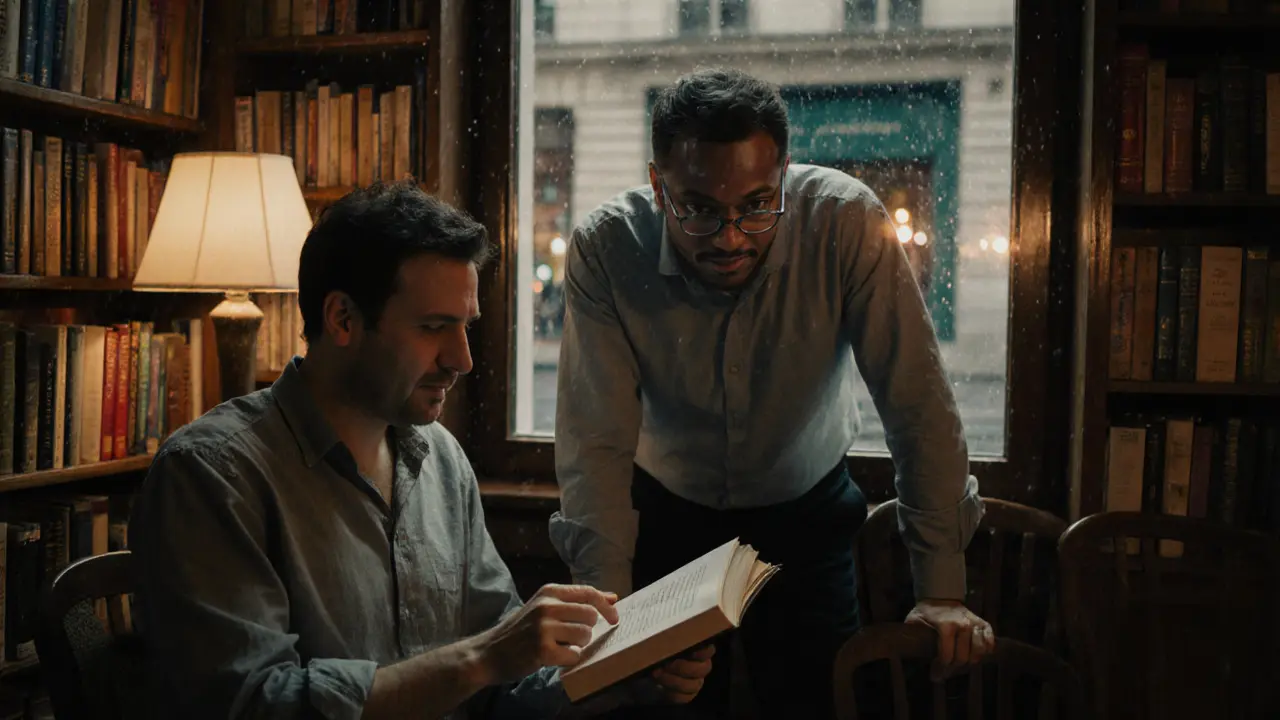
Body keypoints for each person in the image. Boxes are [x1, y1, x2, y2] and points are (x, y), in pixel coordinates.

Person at [129, 182, 713, 720]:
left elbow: (500, 687)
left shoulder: (441, 459)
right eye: (434, 327)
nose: (461, 360)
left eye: (466, 327)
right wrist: (479, 660)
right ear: (342, 319)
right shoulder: (211, 475)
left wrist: (631, 674)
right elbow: (254, 705)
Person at [549, 67, 994, 718]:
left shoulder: (846, 222)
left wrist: (944, 590)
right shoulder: (606, 246)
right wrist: (606, 613)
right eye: (699, 208)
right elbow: (595, 442)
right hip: (667, 523)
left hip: (806, 522)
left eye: (757, 205)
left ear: (783, 175)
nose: (730, 237)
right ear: (658, 184)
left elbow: (918, 404)